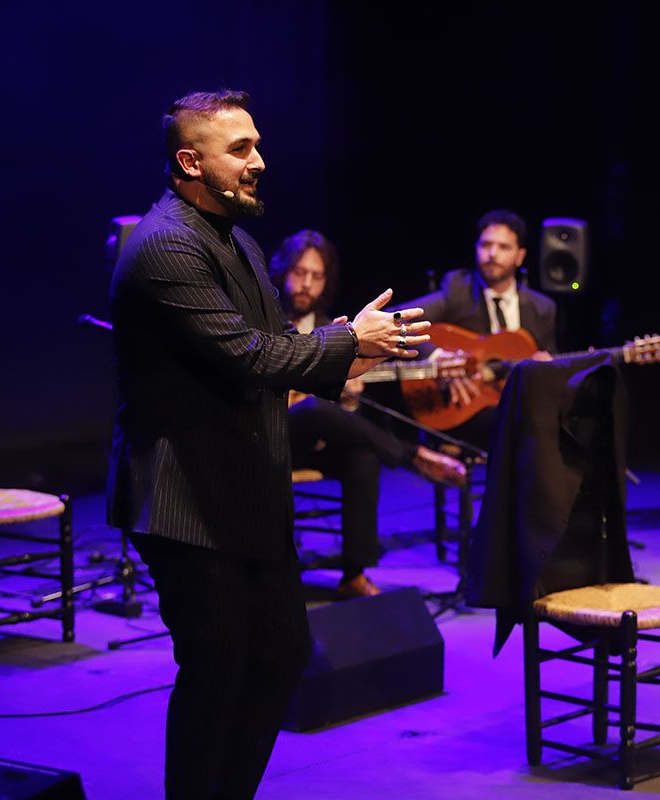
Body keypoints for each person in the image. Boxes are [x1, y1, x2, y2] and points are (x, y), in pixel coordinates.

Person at [107, 89, 430, 798]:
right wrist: (342, 343)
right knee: (217, 668)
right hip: (186, 499)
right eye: (241, 149)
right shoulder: (163, 247)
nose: (261, 162)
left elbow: (279, 347)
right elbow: (250, 358)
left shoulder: (241, 241)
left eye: (257, 145)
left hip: (247, 492)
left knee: (281, 653)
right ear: (190, 161)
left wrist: (349, 352)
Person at [269, 229, 467, 599]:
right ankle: (413, 455)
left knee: (361, 456)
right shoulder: (268, 315)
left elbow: (338, 416)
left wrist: (346, 396)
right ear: (283, 271)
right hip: (268, 435)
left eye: (316, 276)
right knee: (311, 408)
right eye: (300, 272)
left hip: (310, 438)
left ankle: (354, 575)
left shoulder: (335, 326)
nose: (306, 284)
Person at [403, 209, 557, 447]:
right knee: (518, 422)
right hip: (470, 406)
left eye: (503, 247)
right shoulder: (457, 290)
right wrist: (438, 357)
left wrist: (547, 367)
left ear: (520, 256)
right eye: (486, 245)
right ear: (476, 248)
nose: (492, 254)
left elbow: (548, 365)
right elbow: (399, 320)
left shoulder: (543, 309)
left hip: (526, 403)